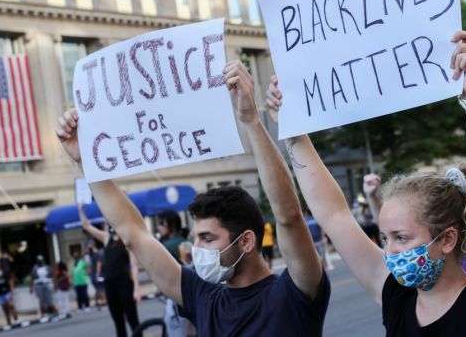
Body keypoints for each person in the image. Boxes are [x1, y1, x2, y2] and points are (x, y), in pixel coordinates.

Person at [265, 30, 466, 335]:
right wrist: (294, 132)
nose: (389, 252)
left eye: (401, 238)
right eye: (386, 239)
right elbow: (334, 215)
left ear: (447, 239)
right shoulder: (396, 296)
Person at [57, 59, 330, 336]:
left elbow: (288, 217)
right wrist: (88, 161)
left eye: (208, 238)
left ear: (246, 240)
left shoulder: (293, 292)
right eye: (197, 236)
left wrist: (251, 120)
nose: (194, 246)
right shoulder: (203, 296)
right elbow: (133, 234)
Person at [79, 206, 141, 337]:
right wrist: (81, 210)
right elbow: (87, 226)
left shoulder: (127, 239)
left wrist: (136, 289)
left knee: (133, 320)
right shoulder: (107, 238)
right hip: (110, 285)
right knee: (118, 322)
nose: (106, 221)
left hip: (125, 284)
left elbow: (134, 265)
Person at [156, 210, 196, 337]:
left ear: (171, 225)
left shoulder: (166, 246)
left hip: (176, 298)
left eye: (161, 223)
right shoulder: (186, 242)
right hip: (194, 294)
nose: (158, 227)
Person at [86, 240, 106, 307]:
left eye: (89, 245)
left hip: (98, 274)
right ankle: (99, 301)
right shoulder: (91, 254)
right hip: (94, 274)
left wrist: (97, 274)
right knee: (99, 288)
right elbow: (91, 265)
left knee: (101, 288)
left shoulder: (97, 253)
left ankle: (102, 301)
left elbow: (99, 264)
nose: (88, 247)